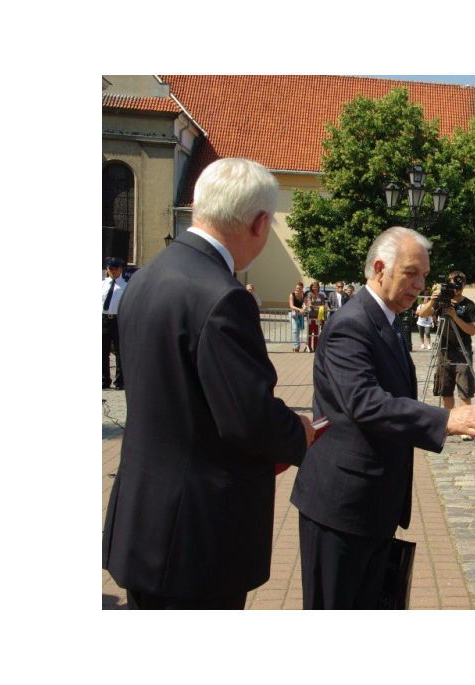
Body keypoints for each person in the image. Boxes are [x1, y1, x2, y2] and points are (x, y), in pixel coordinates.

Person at [102, 157, 317, 610]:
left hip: (144, 522)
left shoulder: (145, 279)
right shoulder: (223, 296)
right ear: (261, 223)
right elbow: (249, 418)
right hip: (197, 539)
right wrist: (297, 433)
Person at [290, 226, 475, 609]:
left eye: (424, 275)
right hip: (341, 507)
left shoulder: (387, 319)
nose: (420, 284)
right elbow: (365, 403)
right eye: (411, 273)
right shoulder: (353, 323)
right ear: (379, 268)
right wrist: (444, 420)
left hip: (373, 505)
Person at [417, 271, 475, 411]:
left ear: (464, 285)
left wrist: (455, 317)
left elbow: (472, 330)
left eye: (459, 285)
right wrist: (432, 300)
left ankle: (464, 424)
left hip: (462, 351)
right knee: (445, 390)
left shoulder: (469, 305)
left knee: (465, 390)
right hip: (444, 351)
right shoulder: (441, 301)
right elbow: (423, 314)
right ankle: (449, 421)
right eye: (453, 285)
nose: (456, 289)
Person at [102, 256, 127, 390]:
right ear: (107, 269)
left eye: (116, 268)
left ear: (121, 269)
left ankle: (120, 381)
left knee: (119, 351)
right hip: (104, 320)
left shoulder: (125, 286)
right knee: (102, 351)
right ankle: (104, 380)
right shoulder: (102, 284)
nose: (113, 271)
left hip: (118, 320)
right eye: (111, 268)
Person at [304, 281, 328, 352]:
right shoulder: (309, 294)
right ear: (311, 287)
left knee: (316, 332)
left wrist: (319, 307)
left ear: (318, 287)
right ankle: (309, 347)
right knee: (310, 332)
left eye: (316, 287)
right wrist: (318, 307)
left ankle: (315, 347)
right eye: (313, 287)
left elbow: (323, 304)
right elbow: (309, 304)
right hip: (311, 315)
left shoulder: (321, 295)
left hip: (318, 316)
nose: (315, 288)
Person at [288, 281, 307, 352]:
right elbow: (291, 305)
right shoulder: (292, 295)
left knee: (298, 330)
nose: (297, 290)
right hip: (292, 313)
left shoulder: (304, 295)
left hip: (299, 314)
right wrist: (299, 309)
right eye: (296, 288)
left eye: (299, 288)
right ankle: (296, 347)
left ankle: (296, 345)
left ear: (302, 289)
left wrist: (304, 308)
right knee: (295, 329)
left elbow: (304, 304)